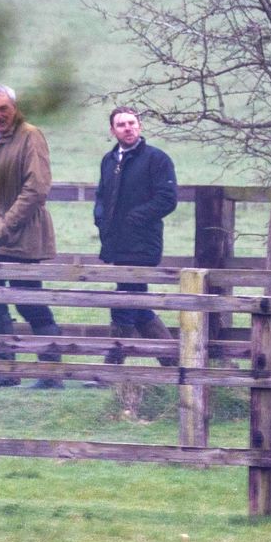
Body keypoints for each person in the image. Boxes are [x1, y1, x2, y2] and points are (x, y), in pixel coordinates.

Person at [0, 84, 64, 389]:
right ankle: (6, 369)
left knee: (28, 300)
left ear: (14, 107)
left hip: (25, 234)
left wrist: (6, 226)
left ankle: (50, 372)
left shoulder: (30, 135)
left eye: (3, 108)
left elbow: (37, 188)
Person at [94, 106, 178, 365]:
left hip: (142, 244)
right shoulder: (109, 161)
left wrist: (135, 219)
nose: (128, 128)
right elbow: (102, 196)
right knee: (138, 304)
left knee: (124, 301)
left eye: (132, 123)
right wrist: (100, 219)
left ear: (140, 127)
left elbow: (167, 199)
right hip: (116, 244)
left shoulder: (157, 159)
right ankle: (174, 362)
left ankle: (112, 364)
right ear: (113, 130)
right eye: (121, 124)